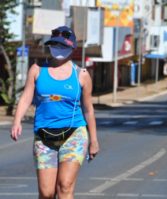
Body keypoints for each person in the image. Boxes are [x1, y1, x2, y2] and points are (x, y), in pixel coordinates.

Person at [10, 26, 100, 199]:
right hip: (44, 137)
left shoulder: (81, 75)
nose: (58, 49)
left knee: (65, 187)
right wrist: (17, 121)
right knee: (46, 193)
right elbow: (26, 98)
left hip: (74, 134)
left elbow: (88, 109)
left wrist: (94, 140)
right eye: (55, 45)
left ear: (72, 48)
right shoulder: (37, 70)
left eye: (63, 46)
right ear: (49, 46)